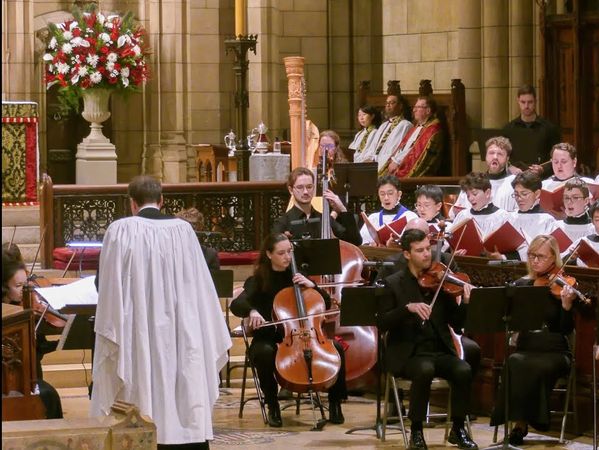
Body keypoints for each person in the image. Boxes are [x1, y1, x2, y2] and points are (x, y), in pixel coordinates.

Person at [91, 176, 231, 450]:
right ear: (162, 200)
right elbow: (199, 285)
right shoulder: (184, 231)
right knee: (185, 383)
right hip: (181, 328)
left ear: (132, 203)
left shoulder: (119, 231)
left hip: (137, 329)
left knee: (138, 383)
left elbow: (105, 285)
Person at [229, 233, 348, 427]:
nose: (287, 257)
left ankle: (335, 404)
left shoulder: (298, 277)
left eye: (289, 252)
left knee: (337, 348)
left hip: (305, 335)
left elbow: (324, 303)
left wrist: (313, 286)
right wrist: (252, 311)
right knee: (264, 353)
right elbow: (237, 304)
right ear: (269, 254)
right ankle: (272, 404)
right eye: (281, 253)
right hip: (269, 337)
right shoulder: (258, 280)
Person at [377, 228, 479, 450]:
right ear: (407, 254)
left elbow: (456, 323)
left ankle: (458, 429)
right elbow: (382, 322)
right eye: (420, 250)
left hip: (439, 350)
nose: (427, 254)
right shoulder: (394, 283)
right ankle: (416, 431)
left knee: (463, 370)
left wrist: (466, 303)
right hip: (409, 353)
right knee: (424, 369)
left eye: (428, 249)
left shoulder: (440, 281)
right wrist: (407, 308)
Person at [490, 235, 577, 445]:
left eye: (541, 256)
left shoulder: (562, 286)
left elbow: (566, 329)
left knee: (536, 366)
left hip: (555, 351)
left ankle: (525, 423)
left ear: (554, 257)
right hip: (527, 347)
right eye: (531, 255)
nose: (535, 260)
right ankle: (519, 424)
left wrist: (566, 307)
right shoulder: (521, 285)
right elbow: (508, 319)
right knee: (515, 361)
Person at [2, 250, 63, 420]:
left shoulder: (26, 309)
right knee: (48, 394)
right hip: (10, 380)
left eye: (26, 285)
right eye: (18, 286)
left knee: (48, 392)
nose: (26, 291)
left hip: (26, 376)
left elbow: (37, 350)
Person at [272, 167, 361, 245]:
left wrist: (342, 209)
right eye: (300, 187)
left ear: (314, 187)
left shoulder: (324, 220)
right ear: (291, 190)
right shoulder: (282, 223)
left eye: (309, 187)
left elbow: (355, 241)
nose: (305, 192)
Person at [451, 172, 519, 260]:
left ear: (487, 193)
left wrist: (501, 257)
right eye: (468, 195)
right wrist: (455, 254)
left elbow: (514, 251)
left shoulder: (503, 217)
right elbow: (453, 245)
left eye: (474, 194)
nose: (470, 198)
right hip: (466, 264)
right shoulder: (463, 215)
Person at [450, 136, 518, 217]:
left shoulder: (515, 183)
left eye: (500, 154)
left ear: (507, 158)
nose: (495, 157)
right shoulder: (473, 182)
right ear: (485, 156)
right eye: (491, 153)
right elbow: (455, 213)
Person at [382, 96, 444, 177]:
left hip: (412, 174)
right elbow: (403, 148)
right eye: (414, 107)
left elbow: (416, 153)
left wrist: (397, 162)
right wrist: (393, 161)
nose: (414, 110)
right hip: (396, 166)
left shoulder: (432, 130)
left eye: (418, 107)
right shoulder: (416, 127)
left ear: (428, 110)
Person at [503, 84, 561, 168]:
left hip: (542, 175)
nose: (526, 106)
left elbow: (557, 157)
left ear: (535, 101)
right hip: (516, 175)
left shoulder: (549, 129)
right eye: (523, 102)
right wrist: (511, 168)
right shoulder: (508, 129)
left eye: (530, 102)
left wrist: (543, 169)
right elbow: (503, 157)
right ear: (518, 101)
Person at [507, 171, 557, 261]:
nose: (519, 198)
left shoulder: (547, 220)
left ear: (537, 194)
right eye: (516, 194)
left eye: (524, 194)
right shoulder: (510, 217)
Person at [359, 175, 418, 245]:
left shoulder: (410, 217)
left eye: (390, 193)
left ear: (399, 194)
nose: (386, 198)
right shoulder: (373, 218)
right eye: (382, 194)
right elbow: (362, 242)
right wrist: (370, 245)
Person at [364, 94, 413, 170]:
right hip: (374, 164)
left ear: (400, 106)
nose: (388, 105)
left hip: (390, 164)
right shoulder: (383, 125)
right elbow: (374, 145)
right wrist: (369, 157)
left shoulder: (406, 125)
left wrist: (396, 160)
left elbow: (404, 147)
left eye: (392, 103)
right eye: (387, 103)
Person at [553, 178, 594, 242]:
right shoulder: (556, 227)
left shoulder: (594, 228)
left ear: (586, 201)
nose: (569, 202)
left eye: (575, 197)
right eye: (566, 198)